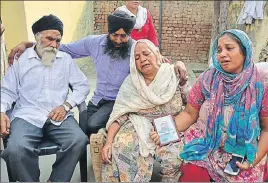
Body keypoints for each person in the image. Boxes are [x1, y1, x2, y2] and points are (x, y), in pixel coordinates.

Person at [7, 11, 188, 140]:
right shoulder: (93, 43)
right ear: (108, 31)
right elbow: (63, 48)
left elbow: (158, 60)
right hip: (97, 99)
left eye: (123, 36)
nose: (118, 40)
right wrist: (29, 44)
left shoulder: (136, 48)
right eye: (114, 35)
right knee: (85, 129)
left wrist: (178, 65)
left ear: (129, 35)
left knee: (92, 126)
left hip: (121, 100)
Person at [151, 29, 268, 182]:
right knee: (192, 175)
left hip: (241, 150)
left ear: (244, 51)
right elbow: (189, 113)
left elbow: (266, 128)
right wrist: (166, 131)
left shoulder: (261, 84)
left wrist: (254, 158)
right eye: (219, 50)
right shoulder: (208, 78)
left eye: (229, 48)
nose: (222, 54)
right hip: (205, 143)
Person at [0, 14, 90, 182]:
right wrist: (1, 111)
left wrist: (66, 106)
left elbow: (83, 85)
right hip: (27, 115)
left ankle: (56, 180)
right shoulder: (21, 61)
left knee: (78, 140)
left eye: (58, 41)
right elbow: (7, 91)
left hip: (59, 115)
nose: (54, 45)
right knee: (15, 150)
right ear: (36, 37)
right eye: (50, 39)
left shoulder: (65, 60)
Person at [101, 39, 187, 182]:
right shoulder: (132, 82)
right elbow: (120, 115)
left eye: (146, 54)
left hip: (171, 127)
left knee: (174, 157)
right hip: (137, 124)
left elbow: (191, 104)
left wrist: (183, 81)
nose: (142, 59)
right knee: (121, 145)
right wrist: (108, 142)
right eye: (137, 58)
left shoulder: (174, 74)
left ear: (157, 54)